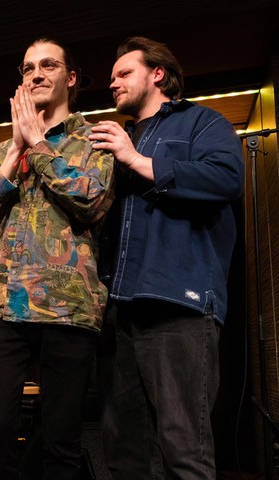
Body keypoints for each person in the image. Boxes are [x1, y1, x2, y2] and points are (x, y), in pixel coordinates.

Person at [89, 36, 245, 479]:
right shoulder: (120, 139)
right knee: (125, 452)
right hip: (120, 311)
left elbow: (226, 178)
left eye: (124, 73)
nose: (113, 83)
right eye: (112, 77)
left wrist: (136, 160)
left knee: (183, 449)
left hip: (177, 303)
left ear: (158, 74)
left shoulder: (201, 122)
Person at [0, 38, 115, 479]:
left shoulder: (96, 140)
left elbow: (91, 201)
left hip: (65, 305)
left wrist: (39, 144)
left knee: (60, 439)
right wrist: (16, 149)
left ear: (71, 78)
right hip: (0, 303)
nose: (36, 74)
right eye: (28, 68)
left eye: (48, 65)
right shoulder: (0, 151)